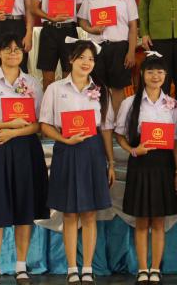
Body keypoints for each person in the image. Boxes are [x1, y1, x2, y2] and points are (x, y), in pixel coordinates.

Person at [0, 32, 48, 284]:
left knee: (25, 208)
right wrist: (5, 125)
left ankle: (21, 266)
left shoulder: (33, 84)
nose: (13, 53)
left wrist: (14, 131)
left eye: (17, 49)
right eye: (8, 49)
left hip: (26, 149)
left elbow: (39, 125)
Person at [40, 41, 115, 285]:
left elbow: (106, 129)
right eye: (82, 57)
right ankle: (72, 267)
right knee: (70, 213)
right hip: (66, 150)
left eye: (91, 59)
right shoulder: (55, 89)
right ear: (71, 59)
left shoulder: (101, 90)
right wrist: (64, 139)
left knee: (90, 213)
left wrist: (111, 162)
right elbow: (45, 125)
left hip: (93, 152)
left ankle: (88, 267)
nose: (86, 63)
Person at [114, 53, 177, 284]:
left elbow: (176, 141)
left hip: (164, 166)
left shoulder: (174, 106)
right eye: (151, 71)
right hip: (140, 165)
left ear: (166, 75)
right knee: (142, 221)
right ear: (142, 74)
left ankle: (155, 269)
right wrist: (133, 150)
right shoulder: (129, 103)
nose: (155, 76)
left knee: (159, 222)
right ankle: (143, 268)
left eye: (160, 72)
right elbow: (119, 135)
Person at [78, 0, 139, 113]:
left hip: (119, 48)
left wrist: (131, 51)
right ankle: (100, 121)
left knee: (118, 87)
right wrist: (91, 29)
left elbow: (133, 26)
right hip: (96, 48)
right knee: (96, 87)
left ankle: (118, 123)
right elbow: (82, 20)